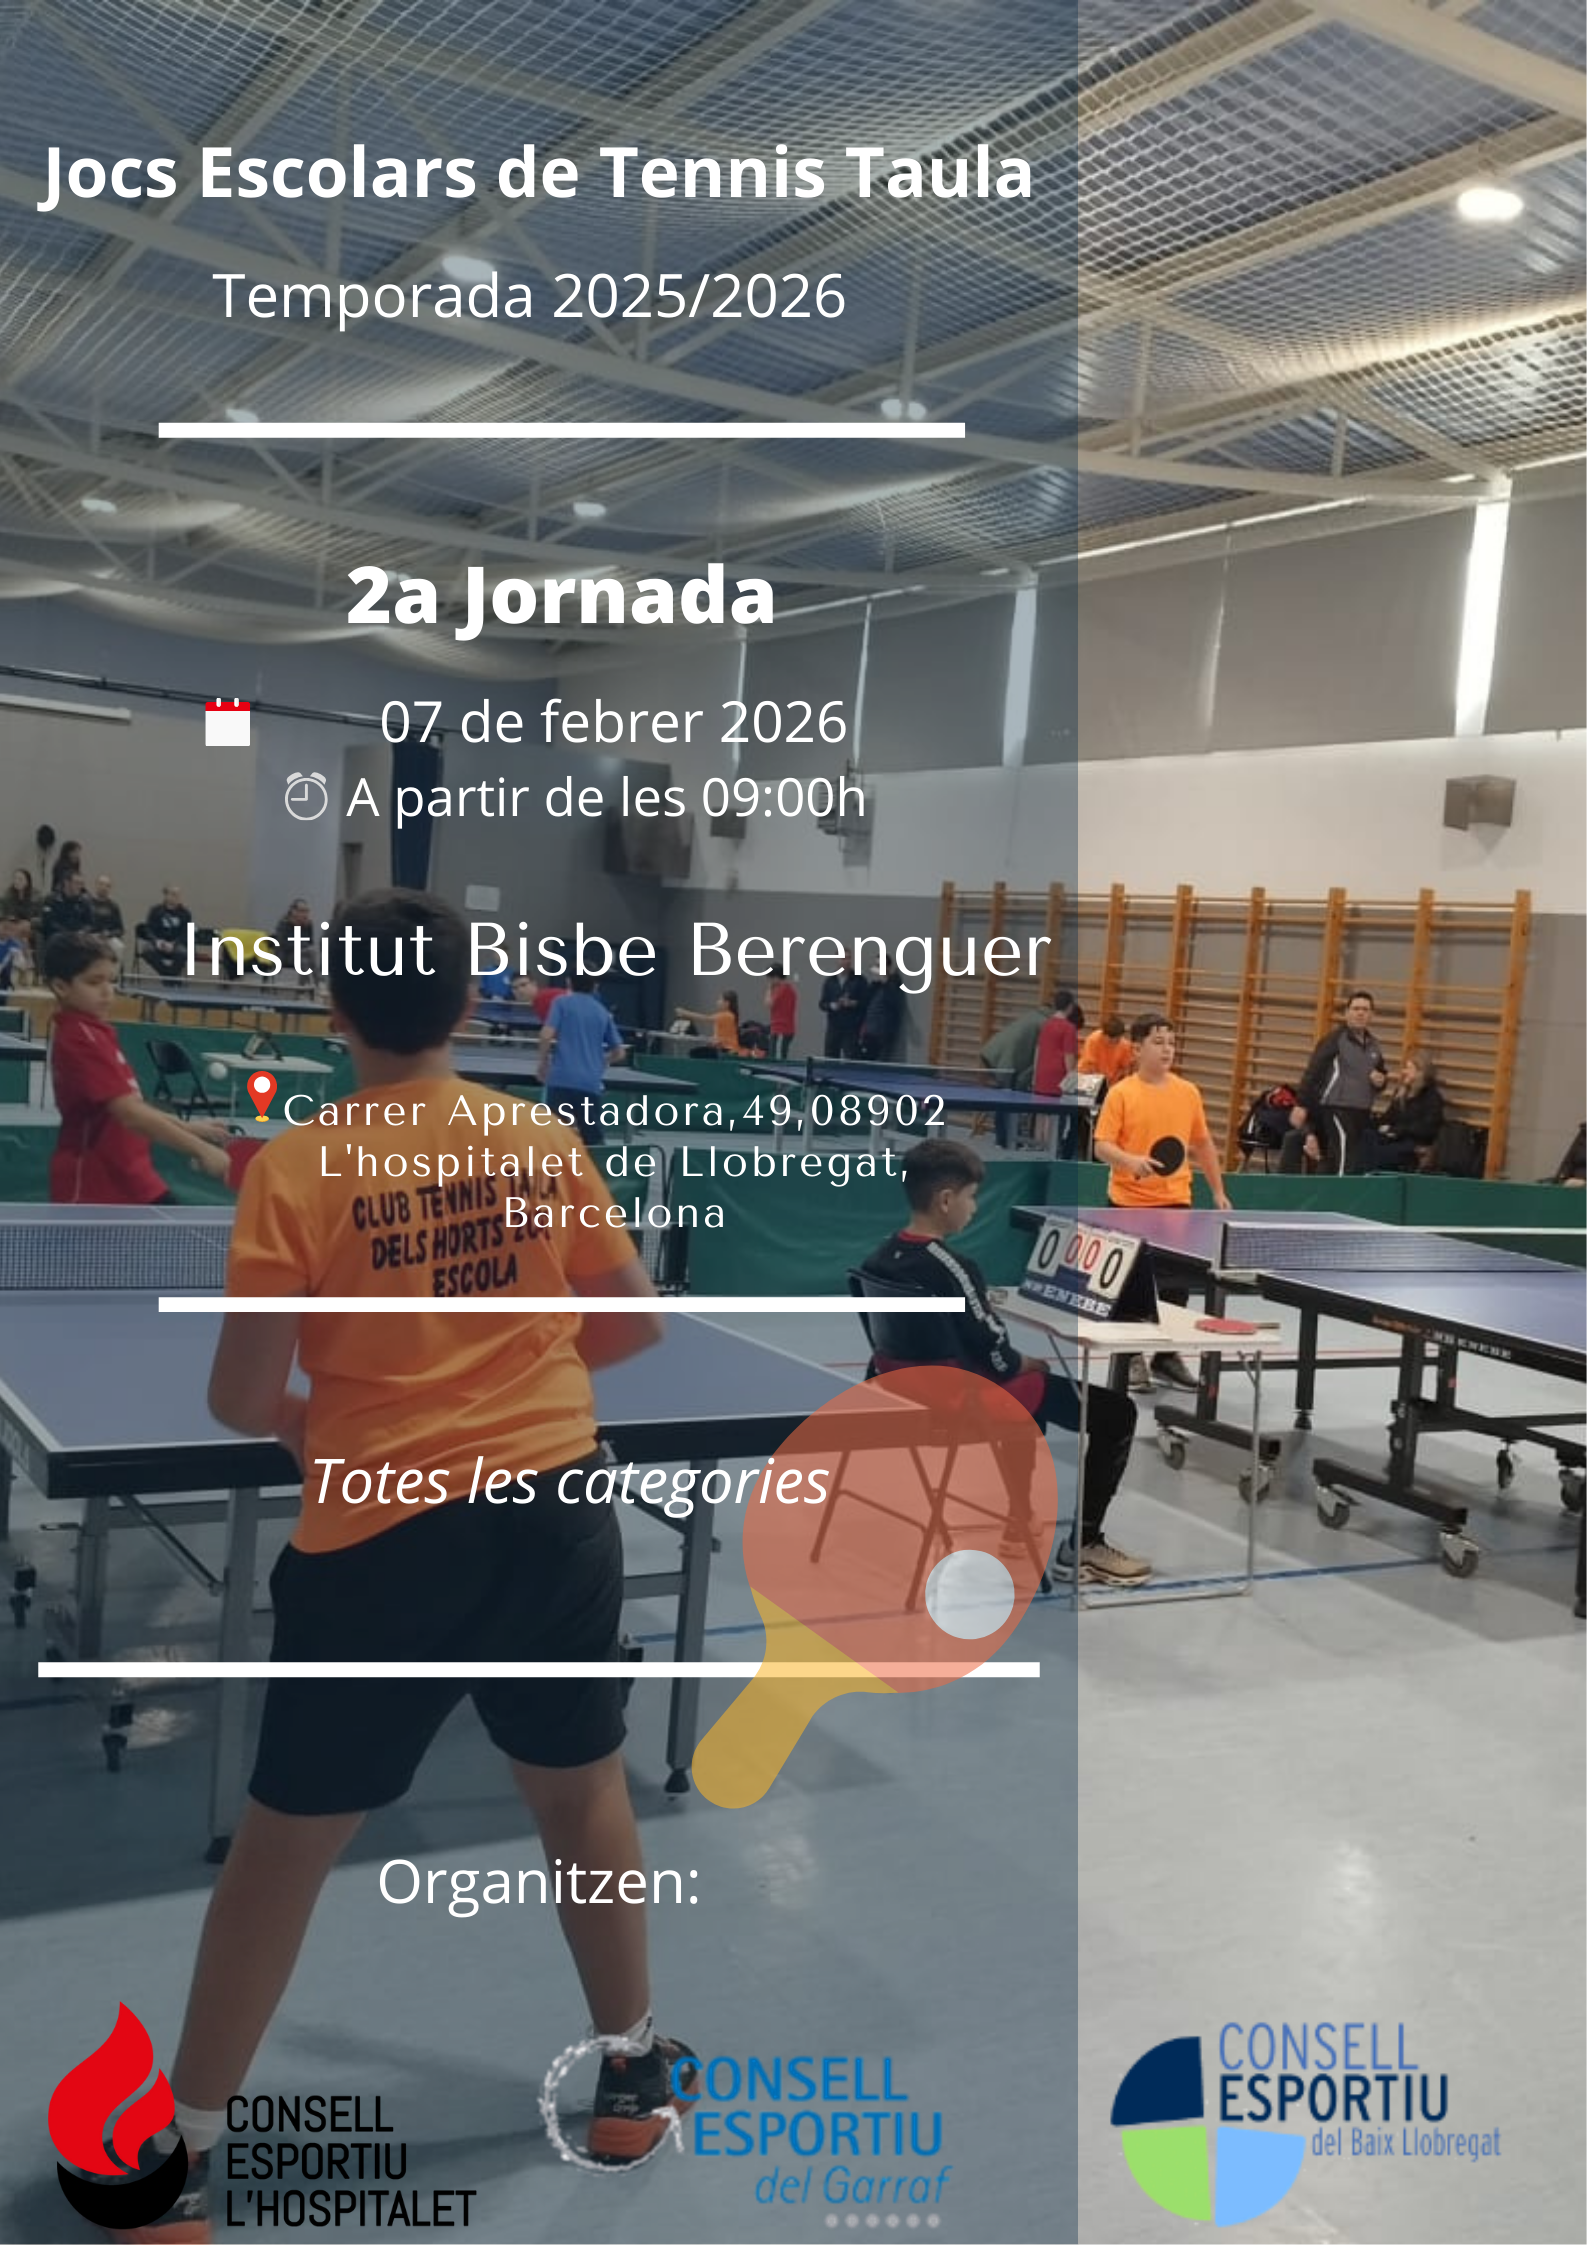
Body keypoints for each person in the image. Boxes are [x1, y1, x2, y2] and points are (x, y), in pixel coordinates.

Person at [137, 891, 696, 2237]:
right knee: (579, 1793)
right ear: (465, 1007)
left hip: (383, 1535)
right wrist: (507, 1371)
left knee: (285, 1840)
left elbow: (238, 1397)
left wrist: (315, 1420)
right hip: (556, 1508)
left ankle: (181, 2154)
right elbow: (630, 1328)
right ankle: (630, 2070)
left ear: (334, 1012)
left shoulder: (297, 1168)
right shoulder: (540, 1135)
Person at [860, 1140, 1148, 1585]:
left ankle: (1019, 1520)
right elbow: (996, 1355)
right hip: (960, 1400)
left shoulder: (878, 1257)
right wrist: (1028, 1361)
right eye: (972, 1196)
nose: (974, 1207)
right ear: (946, 1200)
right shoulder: (954, 1267)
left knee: (1029, 1403)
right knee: (1116, 1412)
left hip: (900, 1390)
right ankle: (1085, 1546)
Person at [1093, 1012, 1232, 1394]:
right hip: (1128, 1204)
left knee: (1176, 1288)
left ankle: (1166, 1357)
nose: (1167, 1049)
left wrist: (1218, 1190)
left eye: (1171, 1042)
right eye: (1158, 1042)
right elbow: (1101, 1146)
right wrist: (1129, 1161)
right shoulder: (1121, 1093)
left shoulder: (1188, 1092)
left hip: (1175, 1202)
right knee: (1131, 1287)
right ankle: (1131, 1357)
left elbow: (1202, 1143)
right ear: (1137, 1050)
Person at [42, 929, 231, 1203]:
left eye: (111, 980)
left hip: (133, 1178)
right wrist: (201, 1149)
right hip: (93, 1185)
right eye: (94, 982)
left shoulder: (97, 1033)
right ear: (61, 987)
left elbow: (131, 1105)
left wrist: (188, 1128)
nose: (107, 991)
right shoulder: (80, 1039)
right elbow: (129, 1114)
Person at [1280, 991, 1387, 1176]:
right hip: (1337, 1108)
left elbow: (1381, 1075)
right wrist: (1301, 1105)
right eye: (1356, 1009)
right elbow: (1314, 1071)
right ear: (1347, 1012)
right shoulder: (1335, 1040)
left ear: (1372, 1014)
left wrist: (1381, 1081)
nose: (1360, 1013)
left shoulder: (1374, 1045)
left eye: (1365, 1009)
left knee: (1335, 1158)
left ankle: (1322, 1191)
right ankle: (1341, 1192)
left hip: (1361, 1111)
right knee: (1345, 1158)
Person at [539, 974, 628, 1146]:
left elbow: (546, 1035)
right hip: (590, 1084)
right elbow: (619, 1052)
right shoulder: (602, 1012)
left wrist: (543, 1062)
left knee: (554, 1139)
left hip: (560, 1080)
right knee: (593, 1141)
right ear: (595, 986)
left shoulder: (561, 1003)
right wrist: (603, 1061)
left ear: (569, 982)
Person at [1361, 1053, 1444, 1173]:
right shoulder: (1401, 1093)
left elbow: (1428, 1129)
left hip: (1413, 1141)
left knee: (1380, 1153)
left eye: (1409, 1069)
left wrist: (1399, 1130)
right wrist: (1371, 1123)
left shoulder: (1432, 1098)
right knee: (1366, 1136)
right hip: (1395, 1137)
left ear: (1420, 1073)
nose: (1404, 1072)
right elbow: (1388, 1118)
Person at [141, 885, 194, 982]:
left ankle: (168, 978)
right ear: (166, 896)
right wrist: (157, 941)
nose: (175, 897)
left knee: (183, 953)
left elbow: (187, 933)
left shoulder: (185, 913)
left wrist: (174, 944)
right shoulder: (155, 911)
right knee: (147, 950)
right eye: (173, 894)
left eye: (177, 895)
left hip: (176, 944)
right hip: (159, 942)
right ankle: (168, 977)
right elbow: (148, 930)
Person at [819, 953, 868, 1059]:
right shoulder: (830, 981)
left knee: (851, 1058)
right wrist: (831, 1005)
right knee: (830, 1058)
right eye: (843, 958)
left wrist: (852, 1003)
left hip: (852, 1028)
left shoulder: (859, 980)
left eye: (848, 958)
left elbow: (866, 1002)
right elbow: (822, 1004)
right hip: (834, 1027)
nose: (846, 961)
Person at [856, 962, 905, 1063]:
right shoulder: (874, 986)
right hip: (869, 1033)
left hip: (883, 1035)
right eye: (876, 965)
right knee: (864, 1063)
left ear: (888, 968)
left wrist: (886, 982)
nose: (877, 969)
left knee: (880, 1065)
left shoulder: (894, 985)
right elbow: (865, 1005)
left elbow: (894, 1004)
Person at [678, 989, 742, 1056]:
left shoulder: (727, 1015)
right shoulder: (727, 1015)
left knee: (693, 1053)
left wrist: (684, 1013)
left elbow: (705, 1018)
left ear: (727, 1003)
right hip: (722, 1047)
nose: (717, 1002)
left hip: (727, 1050)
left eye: (720, 999)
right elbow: (721, 1035)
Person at [38, 871, 95, 945]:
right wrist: (69, 935)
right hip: (57, 937)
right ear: (67, 883)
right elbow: (48, 923)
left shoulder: (84, 901)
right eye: (77, 883)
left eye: (81, 884)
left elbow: (90, 923)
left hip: (79, 938)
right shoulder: (51, 899)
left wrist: (83, 932)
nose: (80, 887)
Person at [1078, 1013, 1132, 1086]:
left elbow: (1126, 1068)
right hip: (1088, 1077)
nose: (1115, 1042)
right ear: (1104, 1034)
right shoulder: (1093, 1040)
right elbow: (1091, 1065)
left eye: (1118, 1039)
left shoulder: (1125, 1045)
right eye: (1111, 1039)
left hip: (1110, 1081)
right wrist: (1100, 1084)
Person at [273, 896, 315, 986]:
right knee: (310, 954)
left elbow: (310, 942)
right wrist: (301, 946)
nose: (305, 914)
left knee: (304, 961)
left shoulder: (308, 924)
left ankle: (302, 990)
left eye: (307, 911)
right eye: (302, 911)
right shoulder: (284, 924)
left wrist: (303, 947)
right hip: (286, 955)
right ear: (294, 912)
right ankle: (318, 984)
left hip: (302, 955)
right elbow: (283, 944)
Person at [88, 873, 126, 957]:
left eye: (107, 886)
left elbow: (120, 929)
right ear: (96, 885)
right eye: (101, 884)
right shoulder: (87, 903)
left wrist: (109, 934)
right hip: (91, 937)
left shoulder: (113, 906)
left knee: (119, 947)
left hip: (108, 937)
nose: (104, 888)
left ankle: (115, 966)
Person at [766, 970, 798, 1061]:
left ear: (776, 977)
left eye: (770, 978)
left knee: (777, 1059)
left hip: (781, 1029)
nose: (769, 982)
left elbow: (769, 1004)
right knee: (776, 1055)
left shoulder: (782, 990)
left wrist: (769, 989)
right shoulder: (787, 989)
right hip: (780, 1029)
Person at [0, 915, 31, 990]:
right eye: (5, 927)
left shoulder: (15, 945)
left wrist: (18, 956)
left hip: (5, 981)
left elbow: (22, 965)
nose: (7, 932)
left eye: (11, 929)